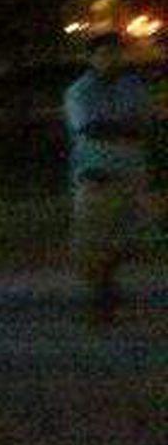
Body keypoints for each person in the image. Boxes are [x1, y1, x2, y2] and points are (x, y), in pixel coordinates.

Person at [64, 33, 153, 324]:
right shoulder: (79, 91)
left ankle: (106, 291)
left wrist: (115, 127)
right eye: (103, 54)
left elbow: (143, 125)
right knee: (94, 241)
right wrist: (123, 128)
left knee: (128, 238)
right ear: (91, 58)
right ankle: (101, 300)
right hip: (95, 176)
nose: (110, 59)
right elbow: (90, 128)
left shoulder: (132, 86)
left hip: (130, 173)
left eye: (114, 53)